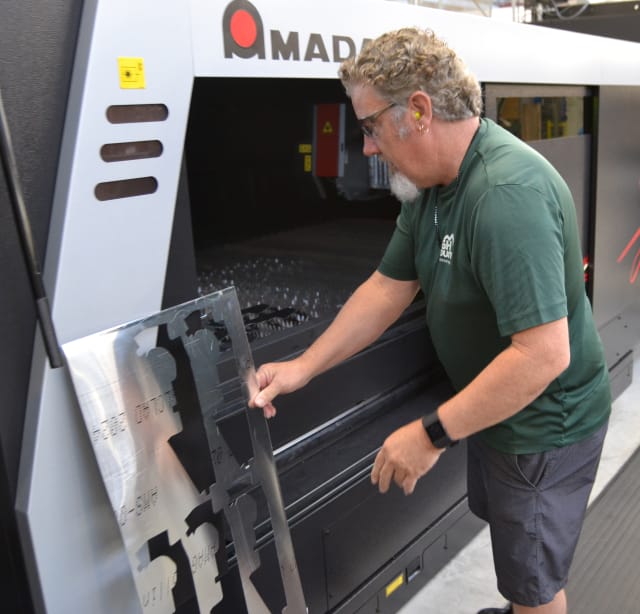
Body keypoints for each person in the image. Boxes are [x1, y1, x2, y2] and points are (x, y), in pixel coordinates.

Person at [249, 27, 611, 614]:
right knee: (515, 555)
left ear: (417, 111)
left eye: (369, 127)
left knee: (534, 583)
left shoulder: (504, 195)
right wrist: (300, 368)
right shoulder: (432, 188)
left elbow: (544, 355)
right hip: (498, 414)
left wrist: (431, 433)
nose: (365, 148)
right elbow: (385, 290)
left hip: (544, 428)